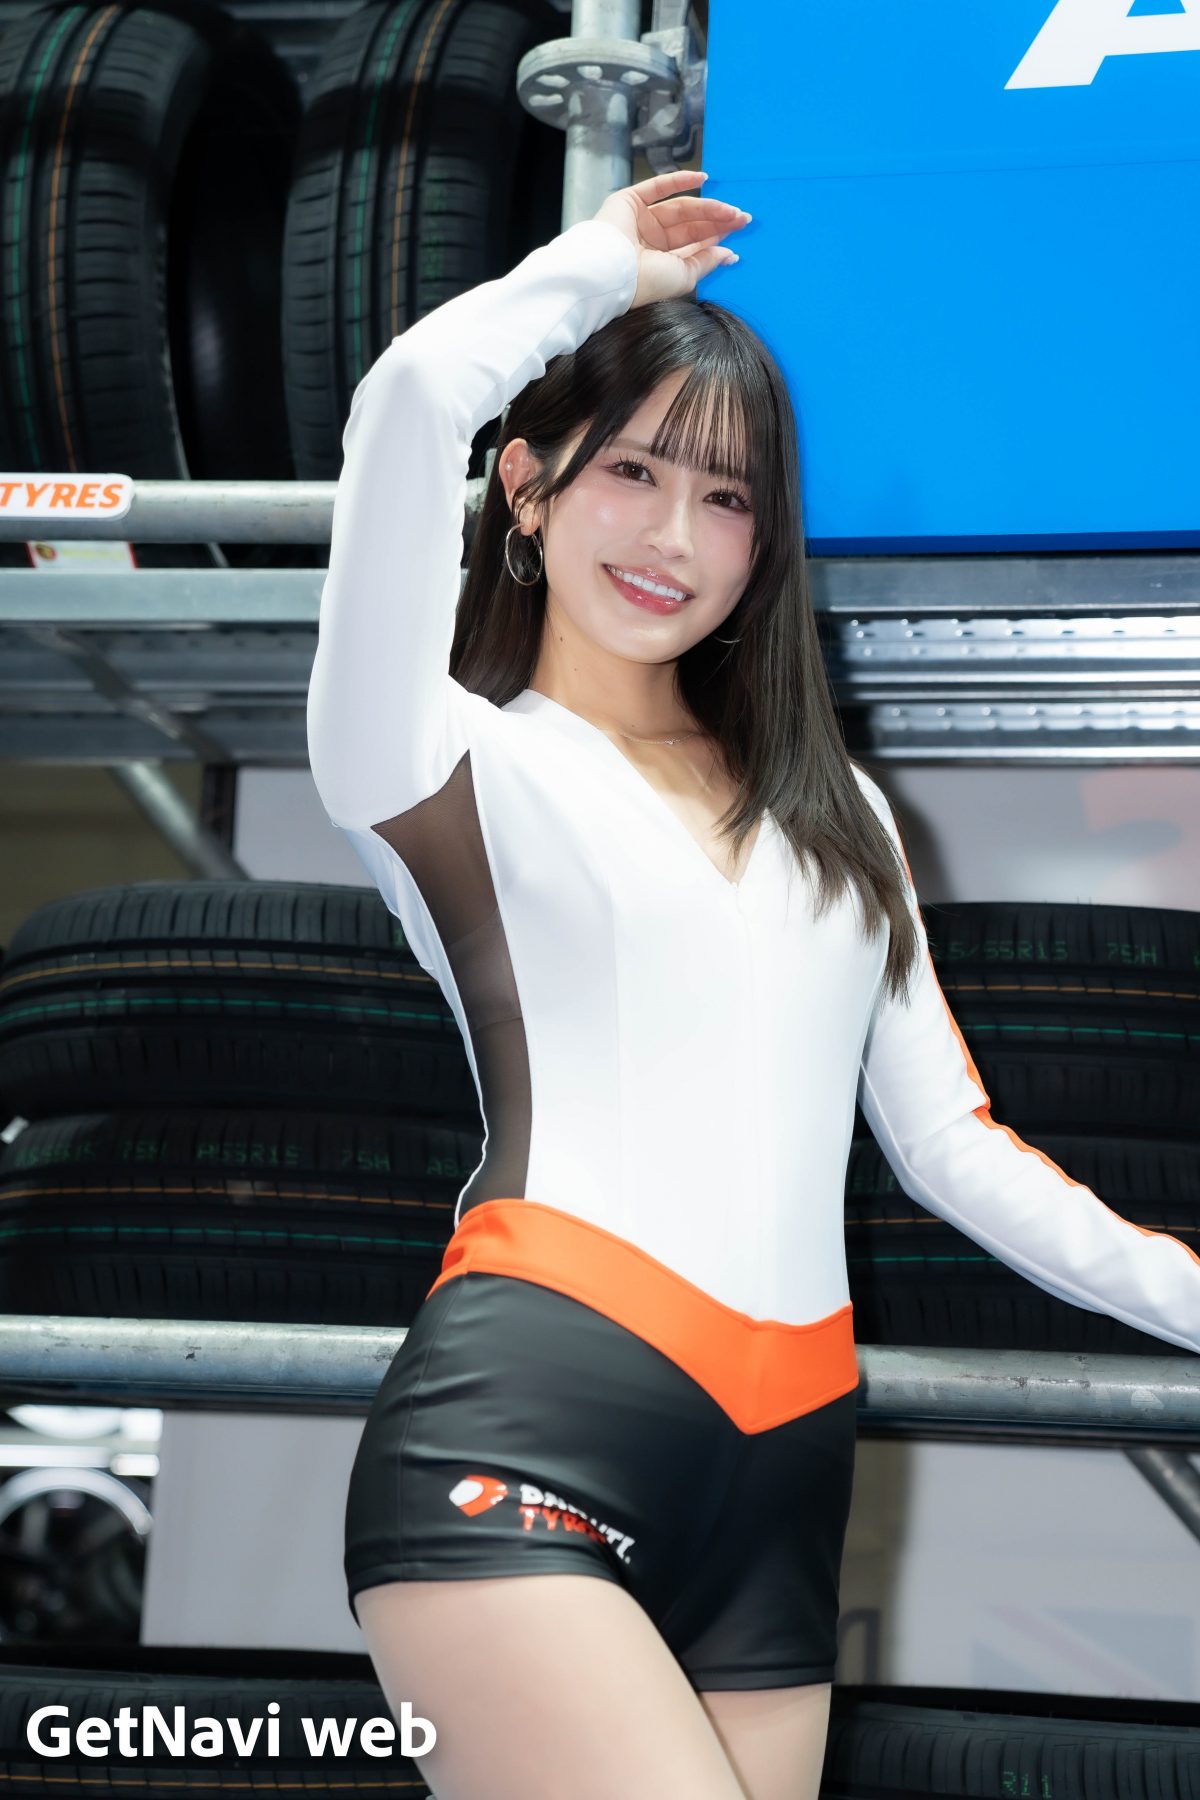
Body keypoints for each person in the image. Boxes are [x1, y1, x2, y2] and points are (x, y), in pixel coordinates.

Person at [306, 170, 1200, 1800]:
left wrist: (1187, 1296)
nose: (674, 536)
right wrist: (592, 272)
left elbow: (951, 1148)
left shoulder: (834, 807)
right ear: (526, 488)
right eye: (632, 471)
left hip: (790, 1462)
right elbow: (408, 398)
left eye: (725, 496)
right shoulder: (430, 752)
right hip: (529, 1420)